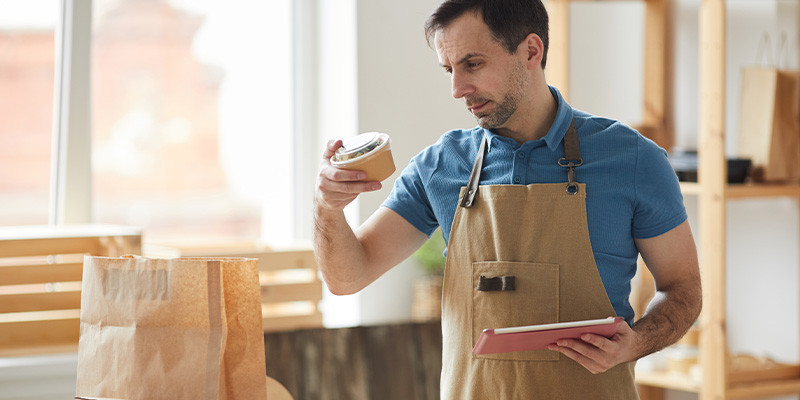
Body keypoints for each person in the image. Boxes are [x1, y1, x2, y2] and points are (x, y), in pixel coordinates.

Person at [313, 0, 702, 398]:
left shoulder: (633, 159)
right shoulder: (441, 165)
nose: (457, 89)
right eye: (450, 70)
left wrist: (635, 344)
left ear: (532, 51)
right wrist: (327, 208)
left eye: (473, 64)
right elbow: (348, 277)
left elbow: (683, 290)